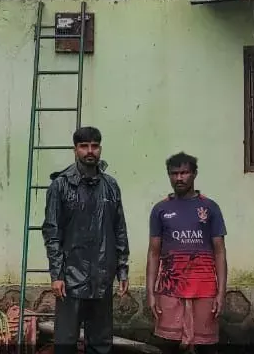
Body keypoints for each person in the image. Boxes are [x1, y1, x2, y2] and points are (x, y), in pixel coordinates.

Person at [42, 126, 131, 354]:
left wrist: (122, 269)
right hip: (70, 279)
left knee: (101, 342)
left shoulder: (111, 186)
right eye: (84, 146)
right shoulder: (60, 186)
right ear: (75, 150)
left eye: (94, 146)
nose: (90, 151)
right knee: (65, 340)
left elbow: (119, 228)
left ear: (100, 148)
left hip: (102, 276)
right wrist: (57, 275)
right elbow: (52, 232)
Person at [146, 152, 228, 353]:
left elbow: (219, 252)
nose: (179, 178)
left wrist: (221, 293)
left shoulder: (210, 208)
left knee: (204, 347)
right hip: (170, 290)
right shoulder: (160, 209)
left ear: (194, 174)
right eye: (174, 173)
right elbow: (154, 253)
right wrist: (150, 293)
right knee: (171, 346)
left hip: (205, 289)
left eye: (184, 173)